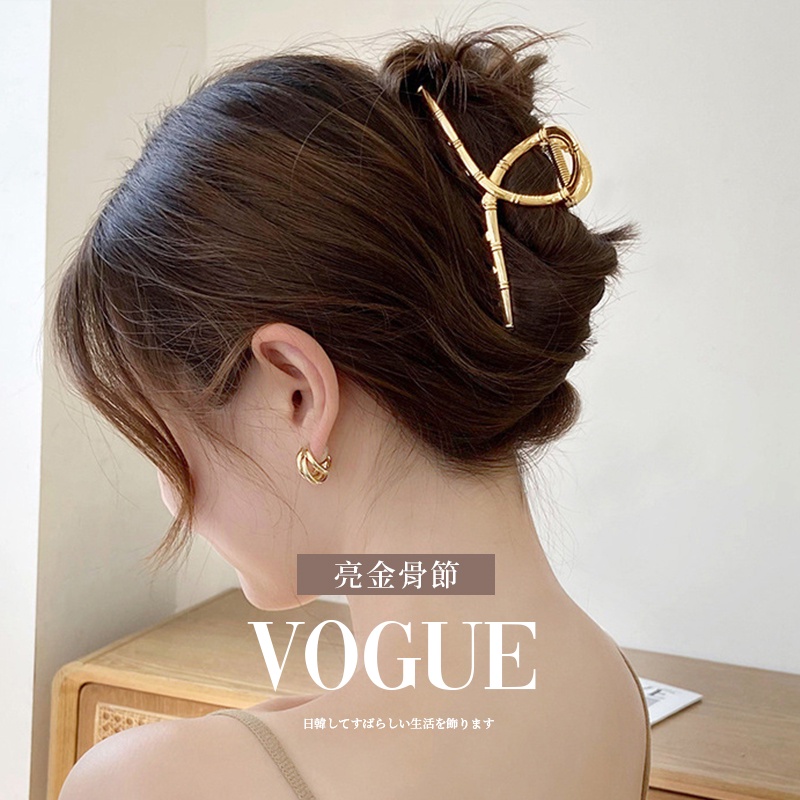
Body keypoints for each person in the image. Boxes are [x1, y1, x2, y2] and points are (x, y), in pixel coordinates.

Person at [52, 24, 650, 800]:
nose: (171, 495)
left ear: (297, 393)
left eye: (163, 442)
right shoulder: (611, 693)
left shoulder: (149, 782)